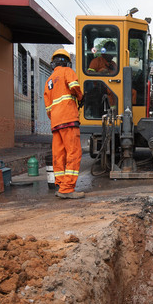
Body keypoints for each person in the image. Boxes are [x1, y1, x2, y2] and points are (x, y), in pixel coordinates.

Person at [44, 48, 86, 198]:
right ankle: (67, 189)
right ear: (67, 62)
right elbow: (74, 87)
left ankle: (61, 186)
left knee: (59, 154)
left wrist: (56, 117)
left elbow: (48, 108)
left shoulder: (49, 81)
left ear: (52, 63)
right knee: (74, 153)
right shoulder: (67, 71)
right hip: (68, 119)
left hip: (56, 123)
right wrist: (80, 98)